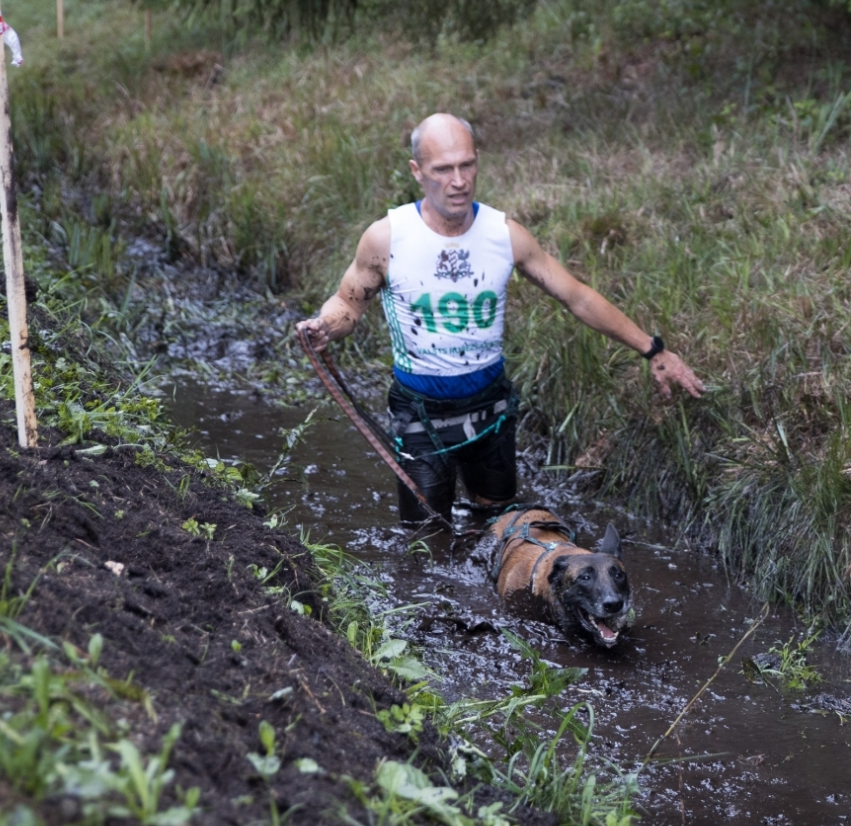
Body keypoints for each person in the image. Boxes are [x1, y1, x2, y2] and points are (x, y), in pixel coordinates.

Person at [296, 113, 704, 523]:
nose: (459, 180)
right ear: (417, 172)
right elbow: (348, 304)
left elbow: (576, 295)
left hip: (490, 410)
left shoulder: (504, 234)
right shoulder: (386, 237)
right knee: (424, 540)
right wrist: (323, 326)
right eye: (443, 169)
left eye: (466, 164)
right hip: (419, 414)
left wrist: (652, 349)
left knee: (498, 527)